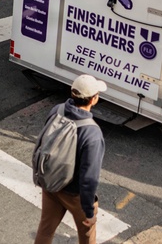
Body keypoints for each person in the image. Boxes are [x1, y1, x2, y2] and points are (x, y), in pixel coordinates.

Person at [34, 74, 107, 244]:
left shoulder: (57, 110)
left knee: (45, 230)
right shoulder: (92, 133)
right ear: (93, 99)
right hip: (75, 194)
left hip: (51, 184)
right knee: (87, 236)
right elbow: (89, 178)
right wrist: (89, 211)